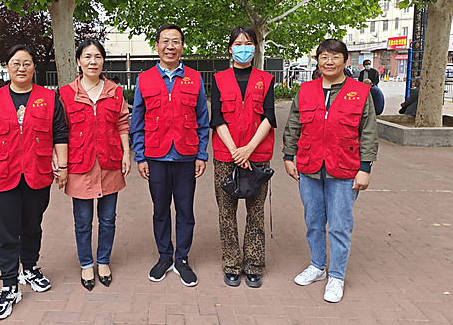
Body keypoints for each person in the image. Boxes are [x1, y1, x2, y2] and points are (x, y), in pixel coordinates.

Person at [0, 45, 69, 319]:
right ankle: (9, 285)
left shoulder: (49, 98)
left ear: (34, 67)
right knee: (6, 233)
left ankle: (30, 268)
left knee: (32, 227)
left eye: (27, 63)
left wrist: (63, 166)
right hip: (2, 176)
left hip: (37, 175)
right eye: (16, 63)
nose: (21, 68)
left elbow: (60, 133)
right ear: (7, 66)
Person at [283, 39, 378, 303]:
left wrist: (365, 168)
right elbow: (293, 125)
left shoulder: (360, 92)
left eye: (335, 57)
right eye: (324, 57)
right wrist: (288, 156)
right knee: (313, 222)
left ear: (346, 61)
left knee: (339, 226)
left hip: (344, 168)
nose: (329, 62)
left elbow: (368, 132)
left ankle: (336, 276)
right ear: (317, 61)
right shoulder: (305, 90)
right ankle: (317, 266)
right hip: (309, 166)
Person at [130, 23, 209, 287]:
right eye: (165, 41)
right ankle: (165, 256)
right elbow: (137, 120)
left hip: (186, 156)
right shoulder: (144, 79)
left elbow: (202, 119)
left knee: (185, 210)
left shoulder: (195, 78)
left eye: (175, 41)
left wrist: (201, 154)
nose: (170, 46)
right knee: (160, 209)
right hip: (156, 155)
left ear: (182, 47)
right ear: (157, 46)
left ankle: (182, 258)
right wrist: (140, 156)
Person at [59, 40, 131, 292]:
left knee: (108, 219)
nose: (93, 61)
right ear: (79, 61)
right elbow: (60, 131)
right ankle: (86, 263)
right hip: (80, 164)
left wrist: (127, 153)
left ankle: (103, 261)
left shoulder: (115, 91)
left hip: (110, 162)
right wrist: (60, 164)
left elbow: (122, 123)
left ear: (103, 61)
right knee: (83, 220)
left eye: (98, 56)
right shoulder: (66, 93)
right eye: (87, 56)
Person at [210, 27, 276, 288]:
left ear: (255, 48)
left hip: (257, 154)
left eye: (248, 43)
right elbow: (217, 118)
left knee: (256, 212)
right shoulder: (219, 79)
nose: (243, 48)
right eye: (237, 44)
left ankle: (254, 265)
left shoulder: (266, 79)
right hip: (226, 156)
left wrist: (248, 149)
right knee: (226, 213)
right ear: (230, 49)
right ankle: (231, 264)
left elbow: (269, 116)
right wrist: (235, 151)